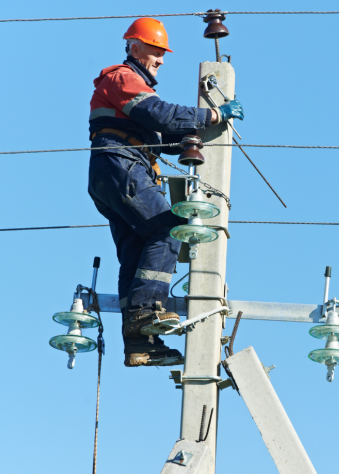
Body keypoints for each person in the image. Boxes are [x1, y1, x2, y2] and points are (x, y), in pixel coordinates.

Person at [88, 18, 244, 367]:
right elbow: (161, 116)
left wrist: (191, 135)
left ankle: (139, 343)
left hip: (113, 170)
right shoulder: (122, 77)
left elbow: (162, 135)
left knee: (137, 250)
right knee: (168, 227)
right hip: (121, 164)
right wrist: (214, 114)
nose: (160, 59)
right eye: (156, 51)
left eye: (162, 53)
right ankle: (146, 312)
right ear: (134, 46)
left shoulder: (129, 89)